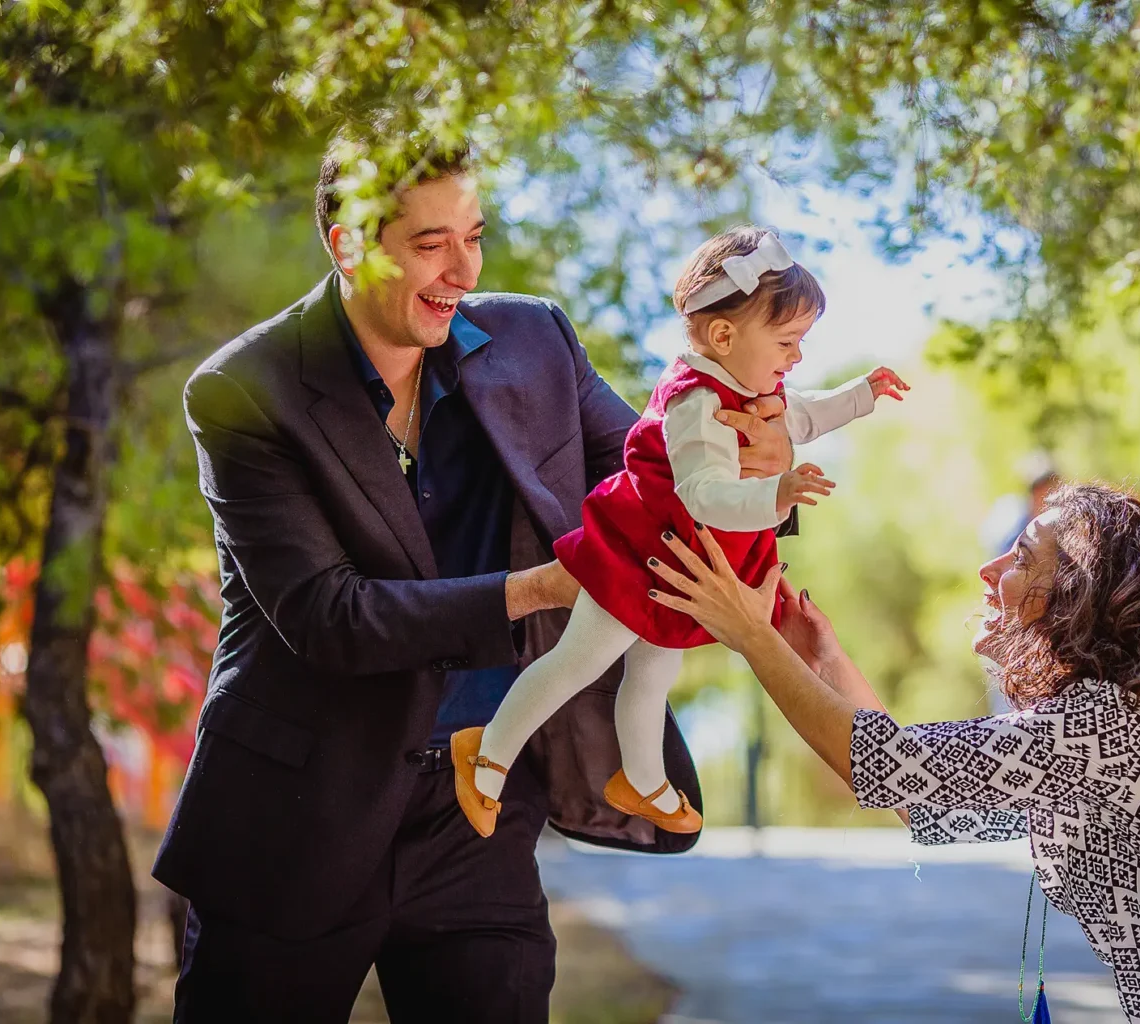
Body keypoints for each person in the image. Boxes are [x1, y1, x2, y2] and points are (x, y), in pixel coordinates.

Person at [151, 135, 796, 1023]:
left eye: (474, 236)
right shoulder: (243, 391)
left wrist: (763, 468)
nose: (461, 269)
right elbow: (331, 615)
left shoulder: (534, 338)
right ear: (347, 245)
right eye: (429, 244)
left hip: (479, 815)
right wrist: (539, 589)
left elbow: (654, 478)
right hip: (297, 817)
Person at [644, 484, 1140, 1024]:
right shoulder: (1118, 720)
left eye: (1021, 556)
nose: (989, 569)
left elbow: (886, 767)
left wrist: (752, 636)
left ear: (1081, 597)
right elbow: (917, 795)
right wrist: (823, 657)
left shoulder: (1109, 727)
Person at [453, 226, 909, 837]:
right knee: (580, 659)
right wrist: (776, 493)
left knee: (653, 672)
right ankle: (487, 752)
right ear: (723, 335)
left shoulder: (751, 384)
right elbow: (702, 492)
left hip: (677, 561)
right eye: (788, 340)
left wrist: (860, 395)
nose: (796, 357)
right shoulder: (695, 402)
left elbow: (802, 412)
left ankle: (640, 780)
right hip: (641, 553)